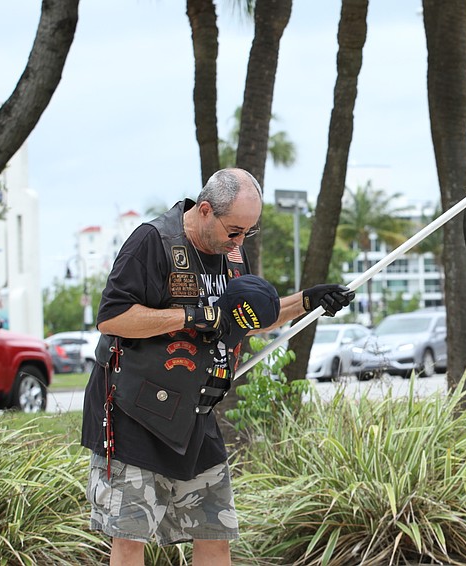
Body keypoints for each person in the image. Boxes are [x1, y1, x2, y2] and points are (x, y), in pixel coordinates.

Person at [81, 168, 354, 565]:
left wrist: (307, 302)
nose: (240, 241)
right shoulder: (154, 241)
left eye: (248, 232)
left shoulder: (231, 252)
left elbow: (247, 317)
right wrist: (191, 316)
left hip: (195, 416)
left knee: (215, 533)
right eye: (234, 231)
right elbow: (113, 317)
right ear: (205, 210)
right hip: (134, 414)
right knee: (129, 537)